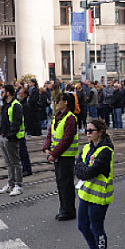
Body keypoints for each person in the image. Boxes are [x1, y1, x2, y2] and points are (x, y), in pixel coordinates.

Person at [75, 118, 114, 249]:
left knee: (97, 227)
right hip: (85, 193)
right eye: (86, 130)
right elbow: (78, 167)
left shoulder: (106, 150)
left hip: (99, 196)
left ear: (101, 132)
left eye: (91, 131)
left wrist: (83, 171)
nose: (88, 133)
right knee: (82, 225)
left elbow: (91, 171)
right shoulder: (87, 147)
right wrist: (82, 170)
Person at [43, 92, 78, 221]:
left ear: (66, 102)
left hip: (66, 156)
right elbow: (50, 134)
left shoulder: (70, 118)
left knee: (66, 184)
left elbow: (67, 139)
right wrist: (47, 147)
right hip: (59, 156)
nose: (56, 103)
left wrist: (53, 154)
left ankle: (69, 210)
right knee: (61, 184)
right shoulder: (57, 117)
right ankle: (63, 208)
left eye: (58, 100)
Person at [0, 85, 25, 197]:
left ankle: (18, 185)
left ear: (8, 93)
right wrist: (1, 133)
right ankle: (11, 183)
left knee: (15, 162)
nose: (1, 94)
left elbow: (16, 123)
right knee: (9, 162)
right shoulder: (6, 104)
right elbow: (4, 120)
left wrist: (9, 135)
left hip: (12, 138)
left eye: (3, 92)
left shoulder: (16, 105)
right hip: (4, 136)